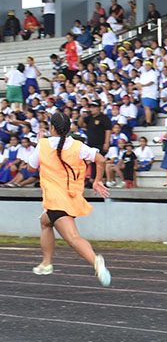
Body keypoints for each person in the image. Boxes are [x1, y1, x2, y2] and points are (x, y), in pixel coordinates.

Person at [28, 112, 111, 287]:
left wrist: (39, 144)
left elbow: (30, 168)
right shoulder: (78, 146)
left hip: (56, 199)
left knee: (73, 238)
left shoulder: (42, 145)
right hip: (70, 197)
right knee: (45, 222)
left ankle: (95, 261)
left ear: (51, 128)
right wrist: (97, 181)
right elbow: (101, 160)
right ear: (69, 129)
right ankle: (46, 263)